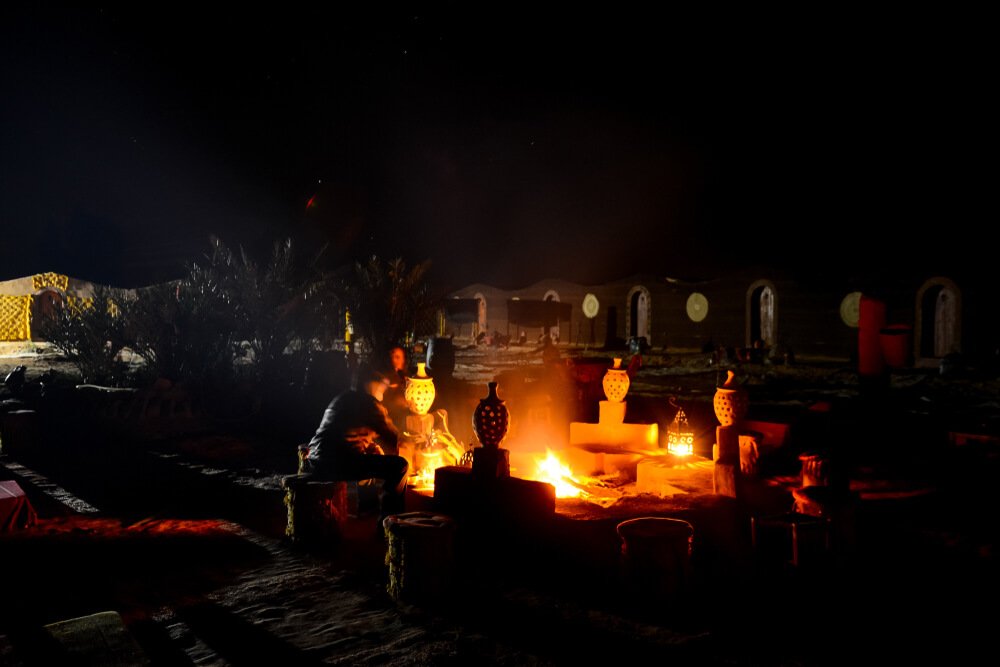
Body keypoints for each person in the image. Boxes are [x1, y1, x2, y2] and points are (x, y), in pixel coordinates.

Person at [302, 366, 409, 526]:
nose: (383, 391)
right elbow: (392, 437)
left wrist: (371, 447)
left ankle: (367, 508)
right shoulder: (369, 404)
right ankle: (390, 523)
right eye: (381, 386)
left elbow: (345, 434)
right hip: (336, 463)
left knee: (372, 457)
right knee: (399, 466)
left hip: (316, 459)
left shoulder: (342, 398)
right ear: (371, 385)